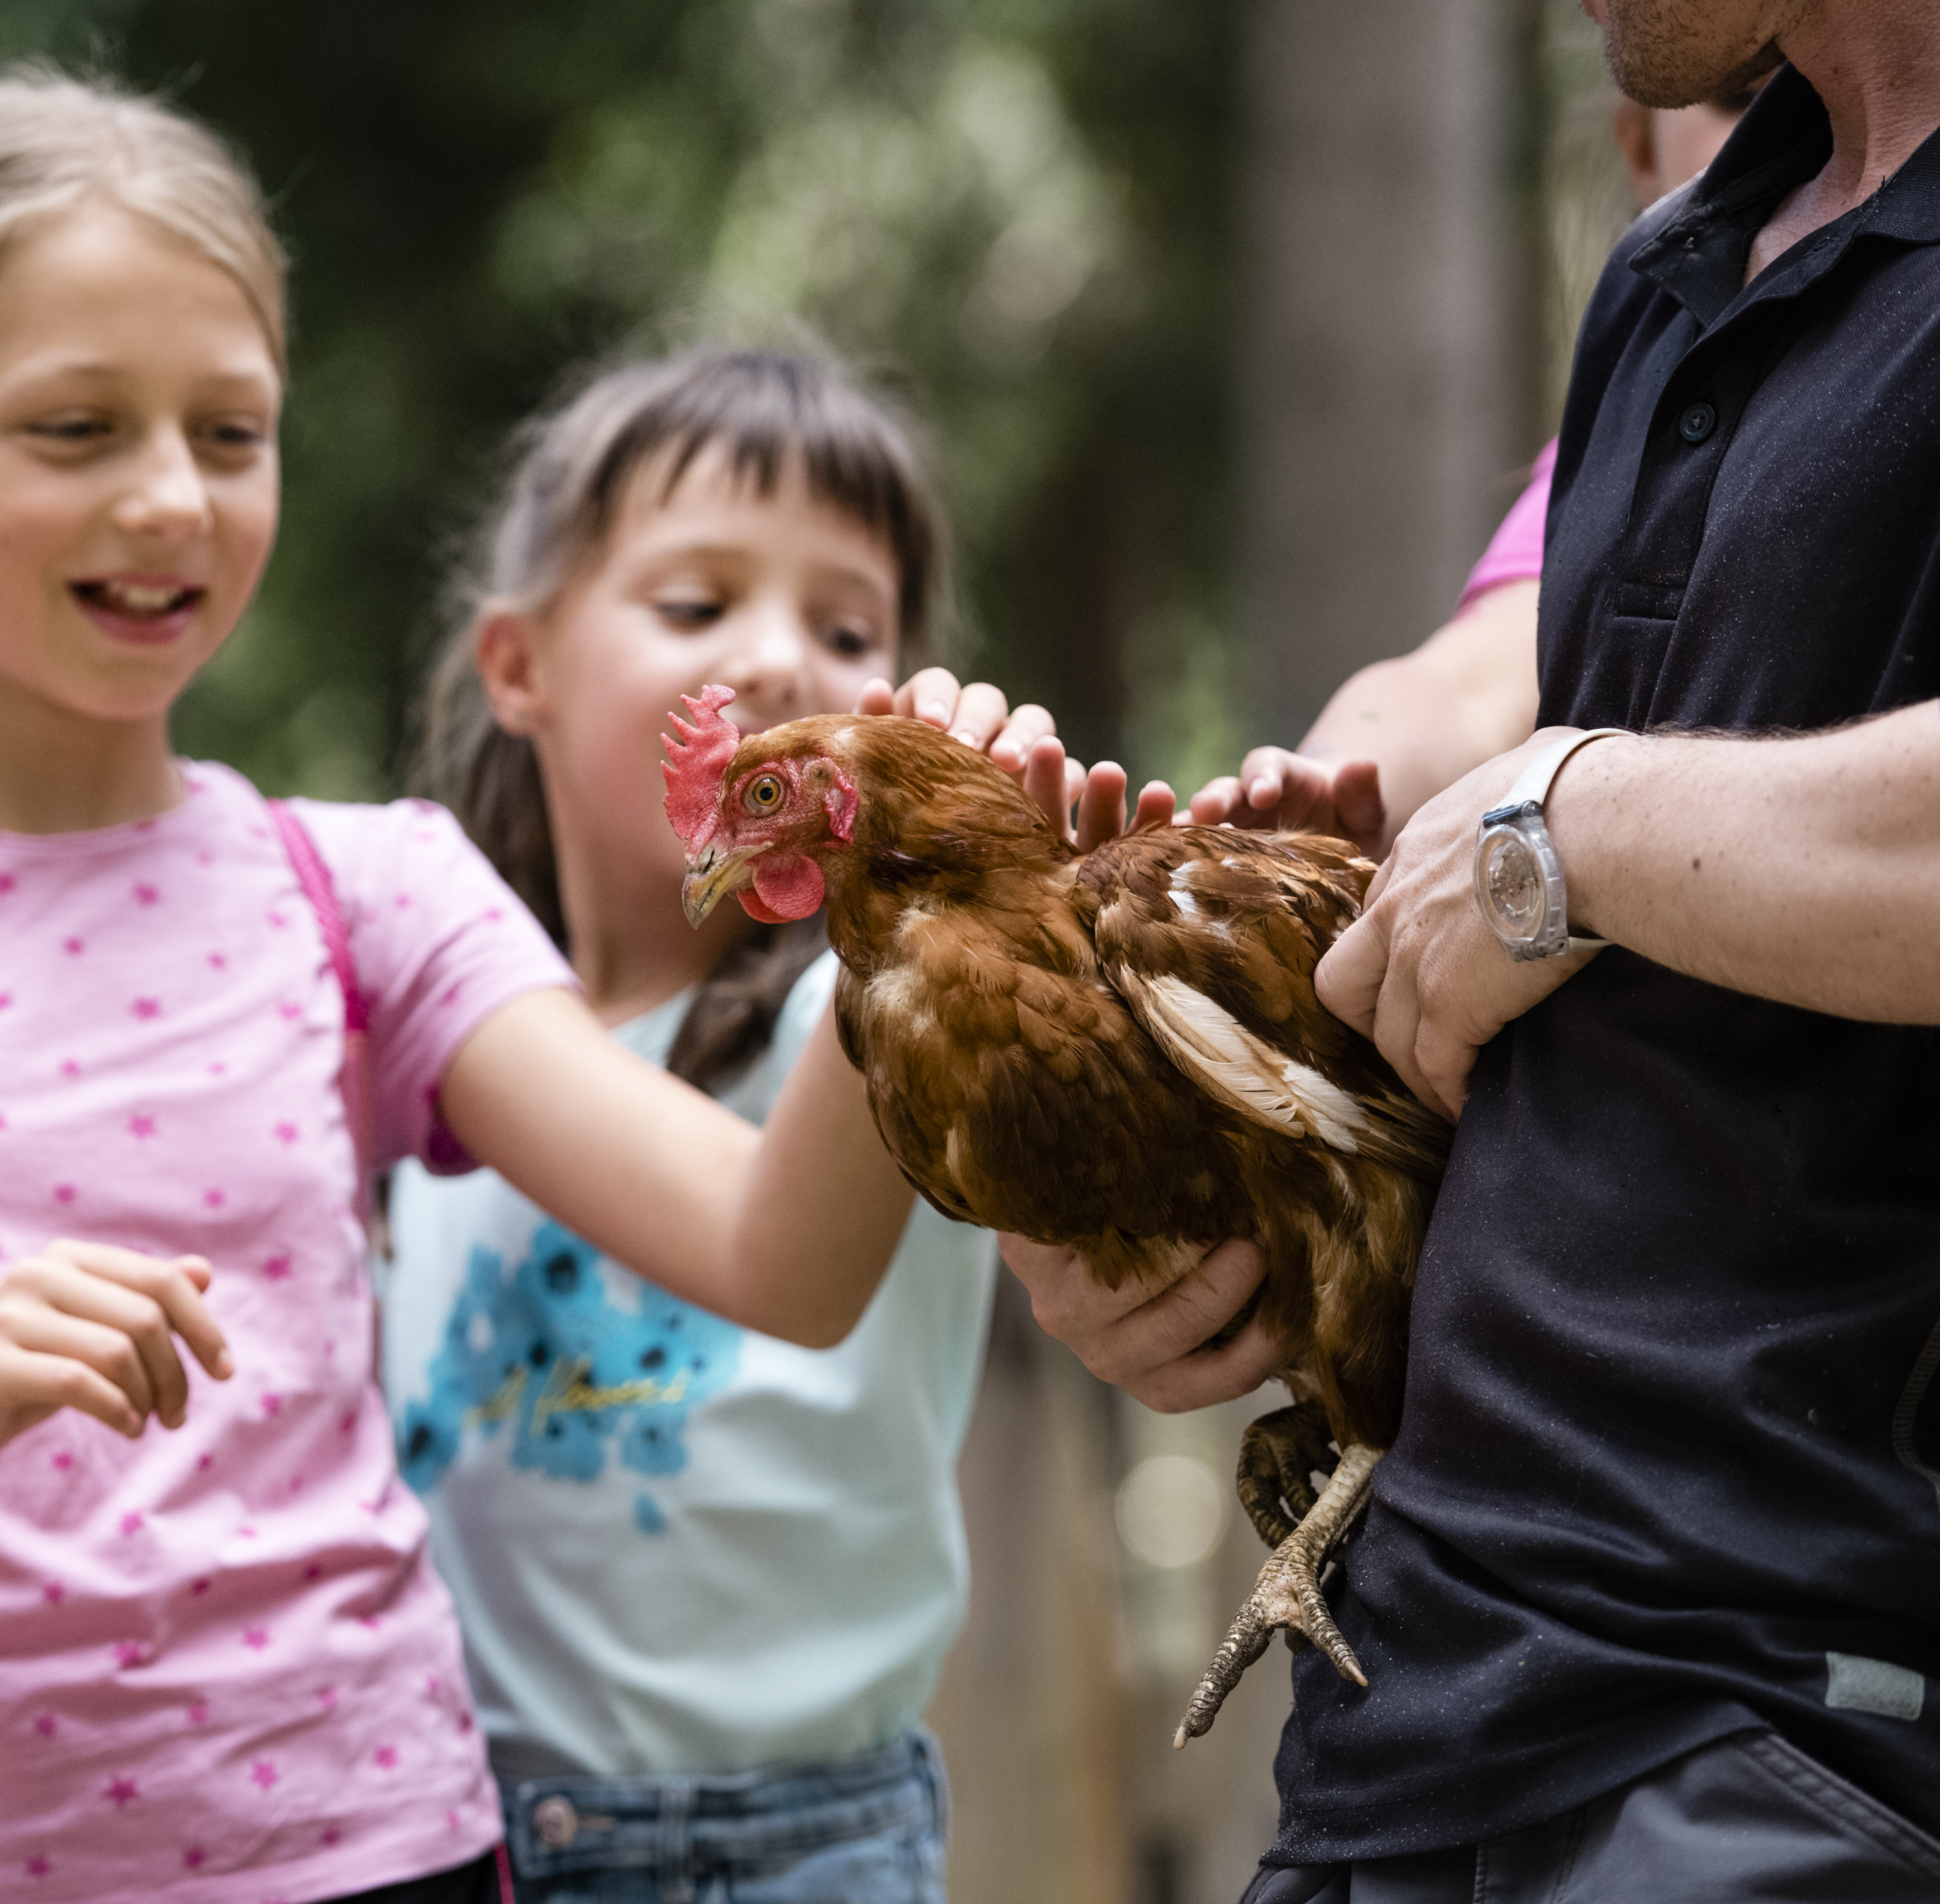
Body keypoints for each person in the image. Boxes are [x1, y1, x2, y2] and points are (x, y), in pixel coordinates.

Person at [0, 72, 1020, 1904]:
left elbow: (780, 1258)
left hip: (372, 1860)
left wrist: (926, 887)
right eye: (75, 430)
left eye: (230, 431)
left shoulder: (366, 893)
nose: (170, 500)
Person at [1009, 4, 1940, 1898]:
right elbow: (1461, 703)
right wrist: (1168, 1154)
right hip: (1412, 1720)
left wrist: (1568, 828)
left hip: (1783, 1728)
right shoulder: (1686, 266)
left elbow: (1552, 799)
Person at [381, 347, 1158, 1904]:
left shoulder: (872, 1016)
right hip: (451, 1830)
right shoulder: (442, 1048)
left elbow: (805, 1234)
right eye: (696, 603)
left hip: (794, 1847)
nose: (783, 656)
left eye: (849, 626)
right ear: (517, 663)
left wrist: (969, 870)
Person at [1187, 85, 1763, 856]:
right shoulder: (1617, 447)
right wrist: (1340, 776)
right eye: (1741, 98)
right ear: (1636, 150)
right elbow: (1473, 685)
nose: (1787, 139)